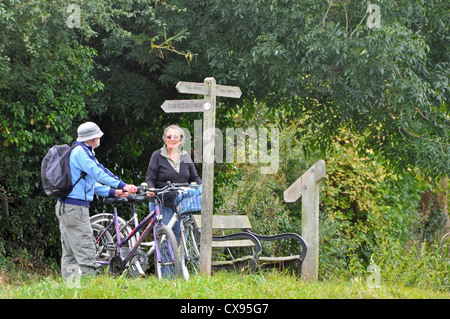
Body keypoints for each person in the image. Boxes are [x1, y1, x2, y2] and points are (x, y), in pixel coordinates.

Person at [55, 121, 137, 280]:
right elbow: (99, 172)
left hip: (65, 206)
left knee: (70, 252)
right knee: (86, 251)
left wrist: (115, 191)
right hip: (75, 209)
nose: (100, 137)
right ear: (93, 138)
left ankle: (72, 290)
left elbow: (91, 184)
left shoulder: (76, 151)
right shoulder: (81, 152)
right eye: (98, 134)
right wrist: (124, 185)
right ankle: (90, 291)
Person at [145, 125, 201, 238]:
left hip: (181, 203)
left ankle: (179, 257)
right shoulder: (157, 155)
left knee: (180, 237)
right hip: (162, 202)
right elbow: (150, 178)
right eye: (169, 136)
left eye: (175, 137)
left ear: (180, 140)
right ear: (165, 139)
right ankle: (164, 256)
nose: (172, 139)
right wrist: (150, 189)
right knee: (167, 238)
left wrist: (203, 186)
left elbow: (194, 177)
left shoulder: (185, 156)